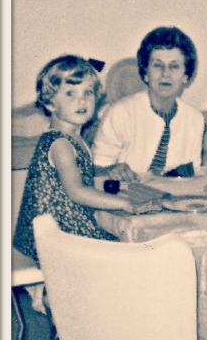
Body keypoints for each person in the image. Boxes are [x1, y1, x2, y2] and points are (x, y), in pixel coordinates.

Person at [13, 55, 160, 264]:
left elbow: (81, 180)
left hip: (66, 226)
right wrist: (126, 204)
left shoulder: (75, 137)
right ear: (50, 103)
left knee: (124, 245)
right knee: (126, 254)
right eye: (70, 93)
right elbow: (77, 191)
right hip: (58, 236)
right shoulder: (60, 143)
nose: (81, 101)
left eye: (88, 93)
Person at [92, 26, 205, 181]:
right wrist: (113, 170)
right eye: (158, 65)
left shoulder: (194, 119)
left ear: (186, 76)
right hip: (124, 198)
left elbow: (191, 175)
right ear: (145, 73)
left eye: (174, 66)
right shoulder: (120, 112)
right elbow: (94, 168)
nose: (166, 74)